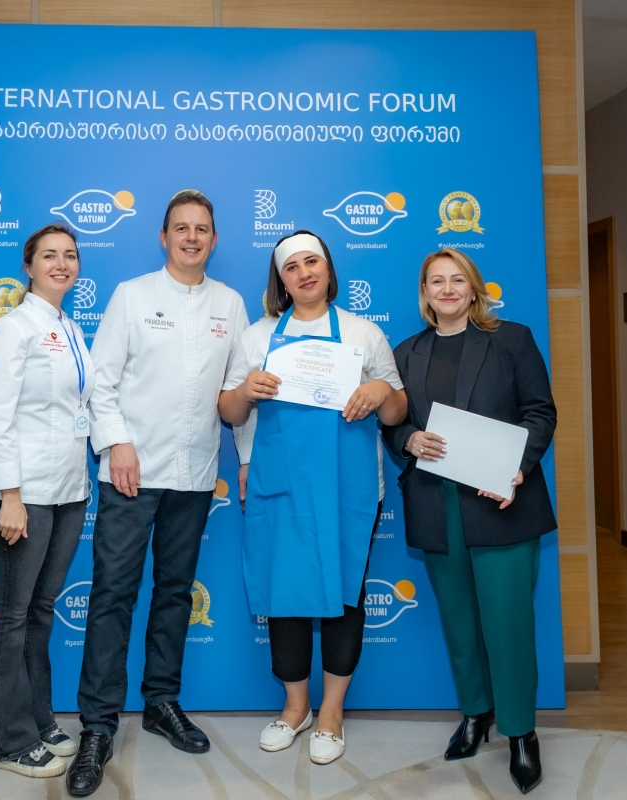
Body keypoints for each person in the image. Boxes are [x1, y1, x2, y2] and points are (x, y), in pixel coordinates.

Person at [67, 190, 249, 797]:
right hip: (131, 473)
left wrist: (246, 454)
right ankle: (97, 726)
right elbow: (100, 382)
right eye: (181, 228)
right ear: (163, 237)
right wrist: (116, 444)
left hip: (194, 476)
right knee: (113, 595)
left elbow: (234, 394)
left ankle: (161, 702)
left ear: (214, 239)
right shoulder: (132, 295)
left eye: (202, 228)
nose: (192, 237)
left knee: (174, 592)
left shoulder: (230, 304)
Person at [219, 231, 407, 765]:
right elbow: (230, 411)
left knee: (345, 596)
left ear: (328, 269)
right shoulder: (258, 337)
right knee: (286, 596)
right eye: (292, 266)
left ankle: (332, 713)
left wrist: (383, 393)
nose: (304, 273)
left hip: (349, 490)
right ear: (281, 280)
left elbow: (397, 410)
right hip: (281, 488)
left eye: (312, 262)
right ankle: (295, 706)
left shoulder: (364, 333)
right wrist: (244, 392)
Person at [382, 249, 557, 795]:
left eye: (458, 279)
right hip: (437, 507)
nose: (448, 288)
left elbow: (540, 411)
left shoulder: (512, 340)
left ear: (474, 287)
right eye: (436, 281)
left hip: (500, 503)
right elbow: (393, 424)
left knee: (508, 626)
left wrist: (516, 469)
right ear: (424, 292)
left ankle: (521, 732)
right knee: (459, 622)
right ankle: (476, 714)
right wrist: (409, 439)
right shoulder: (405, 353)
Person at [0, 223, 95, 778]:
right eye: (49, 255)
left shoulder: (70, 327)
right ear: (28, 266)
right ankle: (5, 741)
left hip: (68, 490)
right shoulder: (13, 327)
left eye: (70, 255)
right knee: (12, 614)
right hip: (22, 493)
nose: (61, 264)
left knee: (40, 612)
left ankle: (39, 719)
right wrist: (10, 497)